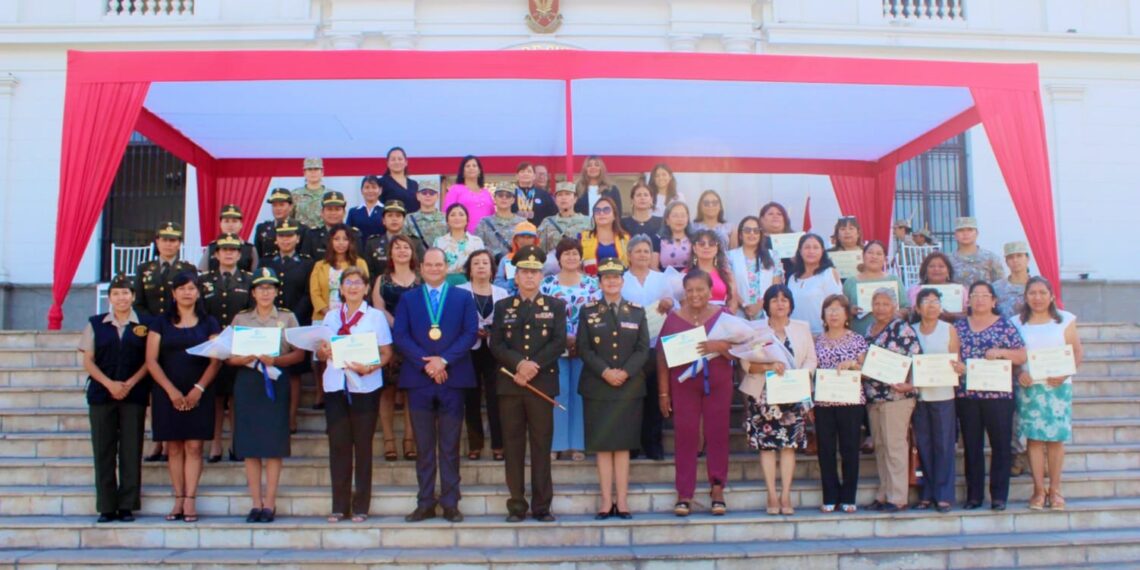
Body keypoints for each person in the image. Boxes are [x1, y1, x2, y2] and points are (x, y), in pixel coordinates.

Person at [393, 249, 479, 523]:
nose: (433, 268)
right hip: (419, 380)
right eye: (428, 264)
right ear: (421, 268)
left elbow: (469, 334)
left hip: (453, 379)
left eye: (438, 264)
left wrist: (443, 361)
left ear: (447, 267)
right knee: (425, 445)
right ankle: (426, 501)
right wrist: (427, 364)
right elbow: (401, 336)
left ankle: (451, 502)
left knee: (451, 445)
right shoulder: (408, 299)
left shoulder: (463, 297)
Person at [490, 245, 567, 523]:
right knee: (512, 447)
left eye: (535, 272)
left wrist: (532, 366)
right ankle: (517, 505)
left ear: (541, 276)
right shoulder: (503, 307)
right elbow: (495, 343)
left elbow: (558, 342)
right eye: (524, 272)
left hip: (541, 385)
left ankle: (542, 506)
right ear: (516, 275)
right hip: (511, 386)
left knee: (540, 446)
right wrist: (519, 365)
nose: (530, 277)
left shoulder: (556, 306)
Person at [314, 267, 394, 523]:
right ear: (341, 288)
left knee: (362, 446)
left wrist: (370, 367)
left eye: (358, 282)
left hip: (364, 386)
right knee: (338, 446)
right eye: (348, 282)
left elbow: (386, 353)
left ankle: (361, 506)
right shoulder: (330, 317)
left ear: (366, 288)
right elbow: (320, 350)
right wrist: (323, 353)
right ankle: (339, 506)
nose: (352, 287)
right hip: (335, 386)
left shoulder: (375, 317)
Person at [226, 268, 305, 523]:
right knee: (250, 447)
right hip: (248, 383)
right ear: (253, 292)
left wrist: (277, 359)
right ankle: (255, 502)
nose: (265, 292)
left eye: (270, 288)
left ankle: (270, 503)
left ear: (277, 292)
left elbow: (299, 354)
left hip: (275, 380)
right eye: (261, 288)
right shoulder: (241, 319)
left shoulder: (287, 317)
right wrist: (241, 358)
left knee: (272, 446)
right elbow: (227, 355)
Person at [145, 271, 222, 523]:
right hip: (167, 391)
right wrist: (171, 391)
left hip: (199, 389)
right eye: (182, 288)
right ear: (173, 293)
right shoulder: (160, 322)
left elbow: (216, 359)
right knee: (174, 447)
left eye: (191, 288)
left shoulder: (209, 322)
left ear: (198, 292)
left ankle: (190, 499)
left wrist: (198, 389)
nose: (187, 292)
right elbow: (151, 361)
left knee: (195, 446)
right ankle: (177, 497)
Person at [657, 270, 736, 517]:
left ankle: (717, 487)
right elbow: (661, 357)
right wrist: (663, 393)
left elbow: (740, 350)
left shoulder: (724, 316)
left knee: (718, 433)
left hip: (718, 384)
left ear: (711, 291)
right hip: (684, 386)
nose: (695, 295)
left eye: (700, 289)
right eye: (690, 290)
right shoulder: (673, 319)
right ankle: (684, 493)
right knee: (686, 435)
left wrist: (720, 347)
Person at [577, 258, 650, 519]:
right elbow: (584, 348)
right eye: (606, 277)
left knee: (622, 446)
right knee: (603, 446)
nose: (611, 281)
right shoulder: (588, 311)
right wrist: (606, 371)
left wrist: (625, 372)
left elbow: (643, 349)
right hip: (598, 386)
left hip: (628, 387)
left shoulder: (637, 311)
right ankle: (606, 502)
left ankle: (623, 501)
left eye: (616, 277)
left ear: (622, 281)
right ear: (599, 282)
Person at [79, 274, 151, 523]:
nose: (122, 298)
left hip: (134, 394)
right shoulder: (96, 323)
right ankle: (106, 506)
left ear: (133, 296)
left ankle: (127, 504)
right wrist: (109, 384)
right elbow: (88, 360)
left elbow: (148, 361)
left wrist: (129, 384)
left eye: (126, 293)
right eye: (116, 293)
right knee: (103, 449)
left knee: (131, 449)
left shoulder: (144, 324)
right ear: (109, 298)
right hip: (102, 394)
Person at [743, 284, 816, 516]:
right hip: (764, 394)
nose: (780, 303)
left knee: (789, 447)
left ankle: (785, 494)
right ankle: (771, 494)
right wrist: (768, 367)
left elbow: (811, 359)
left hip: (793, 394)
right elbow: (746, 364)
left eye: (785, 299)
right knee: (767, 447)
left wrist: (800, 376)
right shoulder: (755, 330)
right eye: (775, 299)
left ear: (791, 304)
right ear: (767, 304)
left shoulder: (802, 329)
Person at [955, 280, 1027, 511]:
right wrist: (956, 366)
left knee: (1000, 446)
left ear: (994, 300)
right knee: (972, 446)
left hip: (999, 396)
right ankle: (974, 496)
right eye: (975, 295)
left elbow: (1021, 355)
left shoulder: (1004, 325)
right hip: (968, 395)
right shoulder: (959, 326)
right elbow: (951, 354)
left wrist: (1001, 352)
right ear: (969, 300)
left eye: (984, 295)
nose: (979, 299)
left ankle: (998, 496)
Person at [1014, 277, 1083, 511]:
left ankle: (1055, 490)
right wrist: (1017, 373)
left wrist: (1064, 374)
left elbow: (1076, 352)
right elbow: (1014, 357)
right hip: (1031, 388)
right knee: (1033, 440)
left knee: (1055, 441)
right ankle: (1038, 490)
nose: (1037, 297)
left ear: (1051, 295)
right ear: (1025, 297)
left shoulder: (1065, 320)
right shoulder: (1016, 323)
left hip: (1057, 387)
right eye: (1032, 293)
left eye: (1043, 292)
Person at [541, 238, 602, 461]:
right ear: (558, 258)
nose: (571, 257)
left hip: (584, 348)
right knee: (559, 393)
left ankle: (578, 445)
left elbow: (598, 315)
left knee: (579, 393)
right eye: (566, 253)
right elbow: (543, 316)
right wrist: (562, 338)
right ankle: (556, 444)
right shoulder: (547, 284)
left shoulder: (592, 284)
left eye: (575, 253)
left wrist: (581, 339)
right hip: (554, 348)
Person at [862, 287, 920, 513]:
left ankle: (898, 497)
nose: (880, 308)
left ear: (895, 307)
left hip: (897, 396)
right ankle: (883, 493)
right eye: (877, 303)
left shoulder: (902, 329)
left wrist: (911, 383)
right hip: (874, 396)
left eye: (886, 304)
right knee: (880, 445)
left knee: (895, 446)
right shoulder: (870, 329)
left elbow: (915, 358)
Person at [198, 233, 254, 464]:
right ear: (217, 254)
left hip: (239, 346)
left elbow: (252, 313)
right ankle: (216, 444)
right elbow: (200, 312)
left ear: (240, 254)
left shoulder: (249, 280)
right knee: (217, 398)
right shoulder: (204, 281)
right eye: (224, 250)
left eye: (233, 249)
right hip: (214, 345)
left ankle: (236, 443)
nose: (229, 253)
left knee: (238, 397)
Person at [620, 236, 674, 461]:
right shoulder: (621, 279)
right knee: (631, 399)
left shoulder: (662, 279)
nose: (642, 255)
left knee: (654, 396)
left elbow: (675, 307)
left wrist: (668, 304)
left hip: (656, 346)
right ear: (629, 255)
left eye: (646, 251)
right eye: (638, 251)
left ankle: (652, 444)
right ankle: (631, 444)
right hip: (628, 348)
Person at [813, 294, 868, 513]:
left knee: (849, 448)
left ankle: (848, 496)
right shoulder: (816, 340)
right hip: (824, 403)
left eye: (838, 309)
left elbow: (867, 371)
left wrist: (854, 365)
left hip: (851, 402)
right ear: (824, 315)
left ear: (847, 315)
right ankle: (830, 495)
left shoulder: (857, 339)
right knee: (825, 449)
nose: (833, 313)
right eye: (829, 309)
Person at [912, 287, 965, 513]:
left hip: (943, 394)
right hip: (919, 395)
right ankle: (927, 492)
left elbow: (957, 360)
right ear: (917, 307)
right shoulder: (911, 330)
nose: (931, 305)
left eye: (935, 301)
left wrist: (959, 368)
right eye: (926, 301)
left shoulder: (948, 329)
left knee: (943, 445)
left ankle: (944, 494)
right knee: (923, 444)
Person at [369, 234, 422, 461]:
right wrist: (397, 324)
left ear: (412, 252)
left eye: (406, 248)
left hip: (416, 339)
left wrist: (408, 327)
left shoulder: (420, 278)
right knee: (387, 391)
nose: (401, 251)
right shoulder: (382, 279)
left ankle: (409, 440)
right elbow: (378, 307)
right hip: (387, 338)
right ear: (390, 253)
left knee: (412, 390)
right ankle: (389, 440)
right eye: (397, 248)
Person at [260, 219, 315, 433]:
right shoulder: (267, 263)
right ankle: (271, 416)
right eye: (282, 235)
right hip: (268, 323)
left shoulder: (307, 263)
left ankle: (291, 418)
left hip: (296, 322)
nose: (286, 239)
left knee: (293, 373)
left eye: (290, 235)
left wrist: (293, 317)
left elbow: (308, 294)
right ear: (276, 239)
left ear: (297, 238)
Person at [458, 250, 509, 461]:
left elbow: (507, 324)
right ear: (469, 269)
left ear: (492, 269)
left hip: (494, 350)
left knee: (495, 397)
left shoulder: (501, 293)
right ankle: (475, 444)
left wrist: (492, 331)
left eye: (485, 263)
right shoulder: (459, 292)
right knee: (471, 398)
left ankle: (498, 444)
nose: (480, 266)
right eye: (476, 263)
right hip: (468, 350)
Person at [133, 222, 197, 319]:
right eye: (164, 240)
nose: (168, 244)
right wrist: (153, 324)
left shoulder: (188, 269)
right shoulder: (143, 269)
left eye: (172, 240)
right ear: (157, 242)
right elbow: (138, 303)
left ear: (179, 244)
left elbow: (193, 302)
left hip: (178, 324)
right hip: (150, 324)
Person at [843, 240, 909, 334]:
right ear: (863, 256)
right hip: (859, 337)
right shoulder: (850, 282)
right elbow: (841, 309)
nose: (874, 256)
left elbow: (906, 307)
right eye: (870, 252)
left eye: (879, 254)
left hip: (889, 337)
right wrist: (850, 311)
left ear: (885, 259)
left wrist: (899, 313)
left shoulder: (894, 280)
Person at [309, 224, 370, 324]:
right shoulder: (319, 265)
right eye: (336, 239)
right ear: (330, 241)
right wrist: (330, 315)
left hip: (353, 318)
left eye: (345, 239)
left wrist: (347, 315)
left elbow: (365, 289)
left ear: (351, 242)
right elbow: (315, 293)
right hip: (323, 318)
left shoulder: (360, 263)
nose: (341, 243)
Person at [787, 234, 843, 335]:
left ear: (822, 250)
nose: (811, 251)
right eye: (807, 247)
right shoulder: (792, 278)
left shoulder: (829, 273)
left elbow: (837, 305)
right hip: (796, 334)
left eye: (816, 247)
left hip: (821, 334)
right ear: (800, 251)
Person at [728, 216, 780, 320]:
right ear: (740, 235)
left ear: (761, 235)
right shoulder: (730, 257)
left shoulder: (772, 255)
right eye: (747, 230)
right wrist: (744, 305)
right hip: (740, 313)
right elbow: (729, 287)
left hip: (766, 313)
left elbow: (776, 286)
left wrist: (760, 305)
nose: (752, 234)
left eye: (756, 231)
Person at [362, 200, 426, 278]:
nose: (394, 219)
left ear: (404, 220)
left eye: (398, 216)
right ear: (383, 221)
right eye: (390, 215)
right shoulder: (372, 244)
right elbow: (368, 273)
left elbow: (421, 269)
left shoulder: (415, 242)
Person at [536, 181, 592, 268]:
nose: (563, 198)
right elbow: (540, 251)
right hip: (555, 269)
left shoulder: (588, 221)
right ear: (555, 200)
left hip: (582, 269)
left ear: (575, 198)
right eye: (560, 195)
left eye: (567, 194)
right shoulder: (547, 222)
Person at [688, 228, 739, 313]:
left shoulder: (726, 274)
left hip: (723, 319)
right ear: (694, 248)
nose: (706, 247)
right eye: (701, 244)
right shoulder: (685, 274)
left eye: (711, 244)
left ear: (717, 249)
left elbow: (733, 303)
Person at [434, 203, 486, 285]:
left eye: (461, 215)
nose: (457, 218)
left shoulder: (477, 241)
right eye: (452, 215)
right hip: (445, 284)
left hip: (471, 284)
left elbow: (483, 265)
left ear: (467, 220)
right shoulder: (439, 242)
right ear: (447, 220)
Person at [906, 252, 965, 323]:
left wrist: (955, 316)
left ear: (948, 271)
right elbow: (912, 312)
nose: (936, 269)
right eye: (931, 266)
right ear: (925, 270)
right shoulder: (915, 290)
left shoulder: (961, 290)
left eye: (941, 266)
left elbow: (968, 312)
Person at [301, 191, 360, 261]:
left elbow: (359, 263)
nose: (333, 213)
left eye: (337, 209)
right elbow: (305, 264)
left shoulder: (354, 235)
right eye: (329, 209)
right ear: (322, 213)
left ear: (344, 213)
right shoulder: (312, 235)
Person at [579, 196, 630, 276]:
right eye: (597, 211)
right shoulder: (582, 237)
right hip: (591, 284)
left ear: (614, 215)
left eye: (606, 210)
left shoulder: (626, 239)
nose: (601, 213)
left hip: (619, 284)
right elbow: (576, 267)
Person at [199, 205, 258, 273]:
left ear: (241, 225)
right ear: (220, 224)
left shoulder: (250, 249)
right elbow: (203, 273)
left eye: (234, 221)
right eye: (226, 221)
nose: (230, 225)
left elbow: (255, 275)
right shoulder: (212, 247)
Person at [948, 217, 1005, 286]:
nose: (965, 233)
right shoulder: (948, 260)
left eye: (970, 230)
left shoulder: (991, 258)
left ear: (977, 233)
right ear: (955, 235)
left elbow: (1000, 285)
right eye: (961, 230)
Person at [442, 155, 493, 232]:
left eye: (474, 165)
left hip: (486, 238)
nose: (471, 168)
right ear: (462, 172)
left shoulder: (486, 193)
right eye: (467, 166)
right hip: (463, 238)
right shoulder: (455, 190)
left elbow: (492, 215)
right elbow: (446, 213)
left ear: (479, 171)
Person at [477, 182, 526, 261]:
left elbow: (528, 246)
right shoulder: (484, 223)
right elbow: (478, 245)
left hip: (516, 266)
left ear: (513, 200)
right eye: (500, 195)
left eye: (508, 196)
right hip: (492, 267)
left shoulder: (522, 223)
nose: (504, 198)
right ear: (495, 198)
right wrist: (495, 254)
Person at [621, 181, 663, 266]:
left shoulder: (661, 223)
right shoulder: (622, 223)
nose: (642, 198)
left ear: (651, 200)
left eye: (646, 195)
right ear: (632, 200)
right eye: (638, 195)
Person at [254, 188, 305, 260]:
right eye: (274, 205)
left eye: (281, 205)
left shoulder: (302, 229)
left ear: (290, 207)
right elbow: (258, 256)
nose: (278, 209)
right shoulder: (262, 228)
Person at [492, 222, 538, 295]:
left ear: (535, 240)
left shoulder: (541, 259)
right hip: (510, 301)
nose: (525, 240)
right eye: (522, 236)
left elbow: (546, 283)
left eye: (529, 237)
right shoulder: (507, 259)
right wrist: (512, 283)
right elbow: (497, 284)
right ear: (516, 239)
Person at [405, 177, 448, 250]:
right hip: (417, 259)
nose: (428, 195)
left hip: (440, 259)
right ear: (418, 196)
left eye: (432, 193)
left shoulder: (446, 218)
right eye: (424, 193)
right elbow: (404, 242)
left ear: (437, 196)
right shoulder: (408, 219)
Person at [993, 241, 1031, 318]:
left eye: (1019, 256)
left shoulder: (1038, 286)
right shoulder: (996, 288)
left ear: (1027, 258)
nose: (1015, 260)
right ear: (1006, 262)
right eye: (1010, 257)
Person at [292, 157, 332, 229]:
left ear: (322, 172)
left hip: (324, 235)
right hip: (301, 236)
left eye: (316, 169)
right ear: (304, 172)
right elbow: (290, 218)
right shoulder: (295, 194)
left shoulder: (330, 194)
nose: (313, 172)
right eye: (309, 169)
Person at [379, 146, 420, 213]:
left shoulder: (414, 184)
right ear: (387, 163)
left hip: (413, 222)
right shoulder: (381, 183)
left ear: (406, 162)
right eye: (393, 159)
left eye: (400, 159)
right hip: (393, 222)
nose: (397, 162)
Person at [347, 175, 386, 245]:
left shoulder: (386, 211)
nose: (370, 191)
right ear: (362, 190)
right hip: (358, 251)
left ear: (380, 190)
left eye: (374, 187)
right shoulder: (353, 212)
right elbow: (348, 234)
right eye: (367, 187)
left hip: (381, 251)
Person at [658, 202, 694, 271]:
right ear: (667, 220)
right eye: (675, 216)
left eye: (683, 216)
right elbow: (653, 267)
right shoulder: (658, 239)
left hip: (689, 278)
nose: (679, 219)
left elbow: (696, 263)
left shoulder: (694, 240)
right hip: (664, 278)